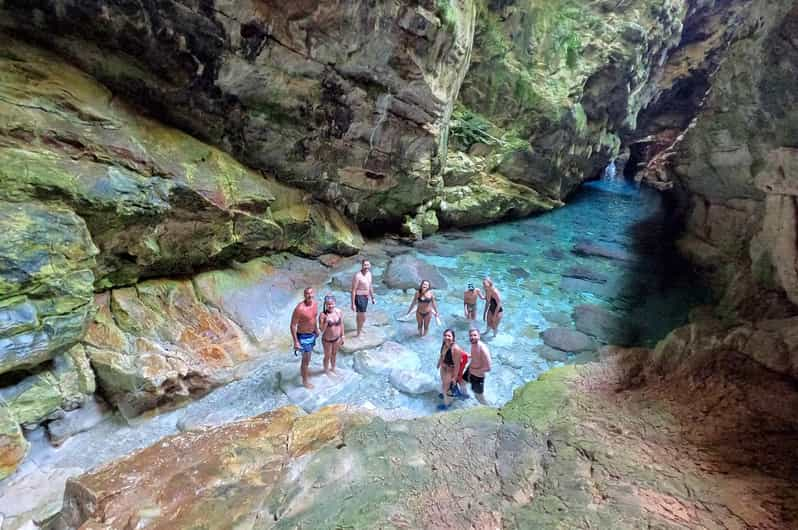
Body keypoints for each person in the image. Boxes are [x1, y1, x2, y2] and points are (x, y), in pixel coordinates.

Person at [290, 287, 319, 389]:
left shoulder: (315, 304)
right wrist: (296, 342)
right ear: (304, 295)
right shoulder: (299, 309)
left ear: (314, 293)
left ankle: (305, 372)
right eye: (307, 294)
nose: (309, 295)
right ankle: (305, 381)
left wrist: (316, 329)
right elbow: (293, 325)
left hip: (312, 334)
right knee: (306, 359)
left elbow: (314, 318)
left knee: (308, 357)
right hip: (303, 337)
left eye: (311, 293)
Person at [436, 329, 465, 409]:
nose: (446, 337)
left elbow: (457, 365)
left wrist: (454, 378)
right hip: (443, 367)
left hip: (450, 370)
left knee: (444, 387)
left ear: (453, 338)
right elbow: (442, 355)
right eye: (445, 335)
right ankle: (454, 392)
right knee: (445, 384)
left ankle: (447, 404)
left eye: (449, 336)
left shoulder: (455, 349)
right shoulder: (444, 344)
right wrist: (439, 363)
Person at [462, 328, 492, 404]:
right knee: (462, 382)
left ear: (479, 336)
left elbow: (488, 368)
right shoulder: (473, 344)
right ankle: (465, 397)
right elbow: (476, 356)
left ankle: (489, 408)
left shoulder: (483, 348)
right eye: (471, 335)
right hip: (470, 370)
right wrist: (468, 356)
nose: (472, 337)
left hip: (478, 376)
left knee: (478, 396)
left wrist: (475, 370)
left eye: (475, 335)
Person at [319, 295, 344, 377]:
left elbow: (341, 324)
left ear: (335, 303)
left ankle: (333, 368)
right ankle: (326, 370)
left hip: (337, 339)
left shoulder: (338, 312)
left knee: (334, 354)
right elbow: (321, 330)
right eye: (328, 304)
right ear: (325, 305)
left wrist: (342, 336)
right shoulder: (323, 315)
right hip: (327, 340)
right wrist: (326, 322)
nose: (330, 306)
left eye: (332, 304)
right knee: (327, 356)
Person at [351, 259, 376, 337]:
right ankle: (358, 333)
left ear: (370, 265)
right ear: (362, 265)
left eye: (368, 265)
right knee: (361, 316)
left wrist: (373, 297)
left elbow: (370, 286)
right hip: (359, 297)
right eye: (365, 265)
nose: (366, 267)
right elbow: (353, 290)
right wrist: (352, 304)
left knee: (362, 316)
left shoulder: (369, 274)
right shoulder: (358, 276)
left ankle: (360, 328)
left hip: (366, 297)